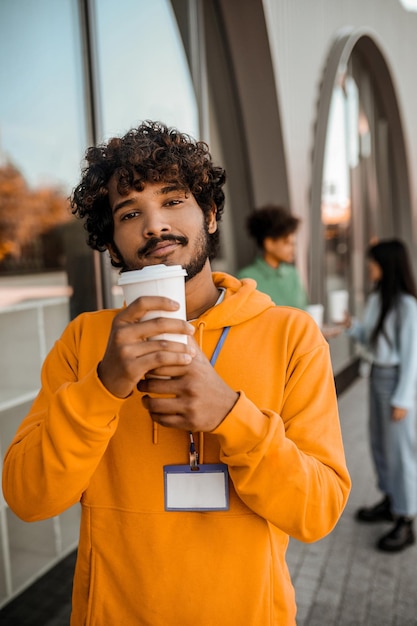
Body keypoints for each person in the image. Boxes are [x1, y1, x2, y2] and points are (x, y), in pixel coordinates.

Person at [2, 121, 350, 626]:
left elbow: (317, 512)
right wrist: (103, 386)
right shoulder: (83, 341)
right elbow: (28, 498)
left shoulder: (291, 336)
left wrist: (232, 415)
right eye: (129, 212)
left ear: (209, 215)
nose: (154, 225)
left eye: (172, 200)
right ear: (112, 244)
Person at [344, 239, 417, 552]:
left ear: (387, 266)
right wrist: (352, 326)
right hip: (376, 378)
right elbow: (372, 339)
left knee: (401, 452)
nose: (369, 267)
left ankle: (406, 519)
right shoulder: (378, 299)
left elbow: (412, 356)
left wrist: (403, 398)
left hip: (395, 381)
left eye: (373, 262)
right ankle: (391, 500)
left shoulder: (407, 306)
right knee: (380, 446)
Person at [237, 204, 308, 309]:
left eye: (294, 243)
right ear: (269, 244)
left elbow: (305, 310)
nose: (293, 249)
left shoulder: (293, 274)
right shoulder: (246, 278)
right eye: (287, 243)